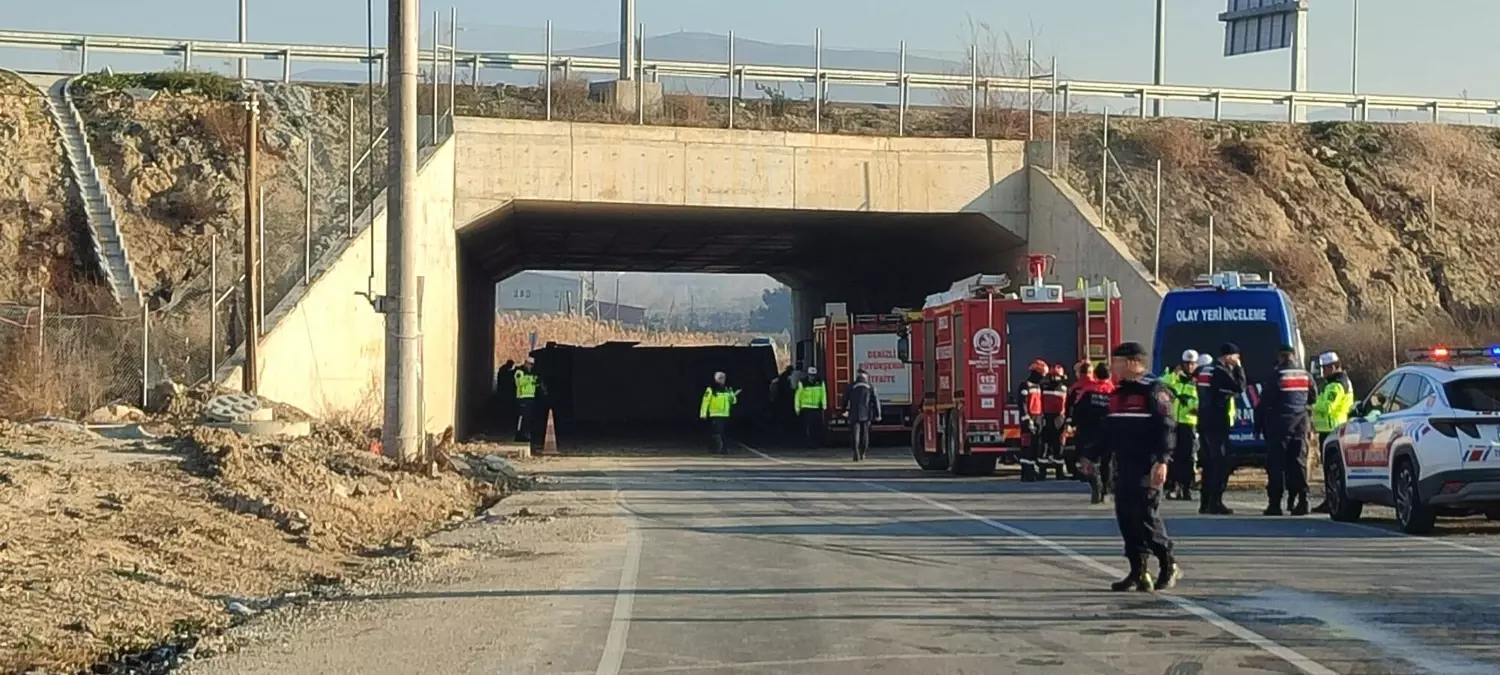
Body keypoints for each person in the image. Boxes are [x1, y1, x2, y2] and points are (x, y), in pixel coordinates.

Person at [1080, 341, 1180, 592]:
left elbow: (1167, 428)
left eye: (1118, 361)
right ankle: (1138, 570)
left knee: (1145, 516)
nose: (1113, 366)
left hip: (1147, 465)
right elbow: (1108, 431)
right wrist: (1089, 455)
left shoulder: (1155, 390)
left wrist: (1162, 460)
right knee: (1126, 518)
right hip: (1124, 464)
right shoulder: (1118, 393)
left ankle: (1168, 564)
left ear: (1133, 363)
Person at [1196, 343, 1246, 515]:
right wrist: (1239, 369)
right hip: (1216, 421)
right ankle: (1215, 502)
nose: (1238, 360)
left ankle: (1205, 502)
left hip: (1204, 420)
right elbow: (1240, 387)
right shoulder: (1220, 371)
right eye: (1236, 357)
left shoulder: (1204, 370)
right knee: (1220, 462)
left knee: (1209, 463)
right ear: (1228, 356)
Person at [1310, 351, 1355, 514]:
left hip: (1333, 429)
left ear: (1334, 366)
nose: (1323, 371)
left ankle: (1333, 499)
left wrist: (1312, 407)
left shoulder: (1337, 385)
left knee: (1333, 469)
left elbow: (1328, 406)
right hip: (1329, 429)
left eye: (1326, 368)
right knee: (1329, 469)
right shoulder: (1332, 383)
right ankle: (1330, 498)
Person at [1160, 350, 1201, 502]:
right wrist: (1173, 375)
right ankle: (1174, 487)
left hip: (1189, 423)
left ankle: (1186, 488)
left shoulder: (1198, 380)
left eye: (1192, 364)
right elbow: (1160, 384)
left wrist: (1190, 404)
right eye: (1187, 363)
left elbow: (1201, 399)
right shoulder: (1175, 378)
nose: (1190, 366)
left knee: (1189, 458)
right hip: (1174, 422)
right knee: (1174, 456)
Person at [1074, 362, 1116, 504]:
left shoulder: (1088, 391)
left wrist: (1073, 424)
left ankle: (1095, 484)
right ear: (1109, 375)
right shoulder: (1113, 392)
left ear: (1096, 375)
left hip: (1089, 432)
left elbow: (1077, 409)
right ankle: (1106, 491)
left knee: (1087, 459)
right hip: (1109, 431)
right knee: (1107, 462)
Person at [1017, 360, 1047, 482]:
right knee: (1027, 447)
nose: (1043, 378)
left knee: (1035, 447)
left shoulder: (1038, 386)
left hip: (1038, 418)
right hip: (1029, 419)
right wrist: (1027, 419)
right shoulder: (1025, 385)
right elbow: (1022, 403)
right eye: (1041, 375)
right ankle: (1026, 473)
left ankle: (1032, 471)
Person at [1039, 363, 1071, 480]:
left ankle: (1042, 473)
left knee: (1044, 446)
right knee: (1058, 447)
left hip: (1046, 419)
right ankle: (1059, 473)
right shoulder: (1064, 388)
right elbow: (1068, 406)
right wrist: (1068, 421)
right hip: (1059, 420)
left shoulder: (1042, 387)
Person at [844, 370, 882, 462]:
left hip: (854, 414)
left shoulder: (851, 386)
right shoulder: (870, 387)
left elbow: (844, 399)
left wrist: (844, 410)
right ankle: (863, 453)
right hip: (866, 415)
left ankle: (855, 452)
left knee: (855, 434)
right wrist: (878, 414)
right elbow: (876, 401)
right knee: (865, 435)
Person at [700, 371, 739, 454]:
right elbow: (705, 401)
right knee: (717, 433)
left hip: (725, 414)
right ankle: (714, 448)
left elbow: (734, 401)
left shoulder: (728, 389)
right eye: (720, 378)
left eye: (723, 378)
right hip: (715, 414)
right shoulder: (711, 389)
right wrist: (703, 413)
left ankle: (724, 449)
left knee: (724, 433)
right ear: (716, 379)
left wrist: (733, 395)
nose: (722, 380)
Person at [794, 366, 828, 448]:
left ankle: (816, 443)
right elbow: (798, 396)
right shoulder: (802, 383)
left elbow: (823, 394)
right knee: (808, 427)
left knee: (816, 427)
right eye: (811, 375)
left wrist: (824, 405)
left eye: (813, 375)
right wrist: (797, 408)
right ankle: (809, 443)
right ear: (808, 374)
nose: (812, 377)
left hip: (816, 408)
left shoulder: (820, 382)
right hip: (806, 408)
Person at [513, 357, 540, 442]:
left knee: (527, 418)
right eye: (530, 364)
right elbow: (519, 382)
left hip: (530, 397)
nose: (531, 367)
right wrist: (531, 379)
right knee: (522, 417)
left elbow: (533, 385)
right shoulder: (519, 372)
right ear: (526, 363)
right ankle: (519, 434)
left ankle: (524, 434)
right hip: (522, 398)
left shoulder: (531, 373)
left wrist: (536, 383)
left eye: (532, 365)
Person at [493, 359, 516, 435]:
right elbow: (509, 380)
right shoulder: (505, 372)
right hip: (506, 393)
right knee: (506, 408)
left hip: (503, 392)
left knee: (503, 408)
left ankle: (503, 421)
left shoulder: (502, 370)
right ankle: (504, 421)